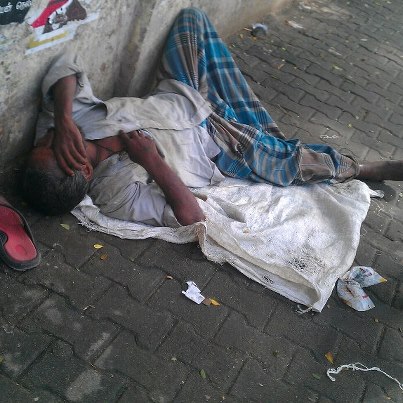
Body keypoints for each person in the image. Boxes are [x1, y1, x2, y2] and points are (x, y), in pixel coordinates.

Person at [23, 8, 403, 227]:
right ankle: (360, 168)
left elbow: (66, 65)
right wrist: (151, 161)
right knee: (284, 161)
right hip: (218, 145)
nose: (47, 137)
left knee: (191, 20)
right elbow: (192, 218)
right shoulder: (113, 194)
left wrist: (65, 118)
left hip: (181, 92)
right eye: (51, 146)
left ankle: (261, 133)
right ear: (83, 169)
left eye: (44, 140)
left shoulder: (65, 124)